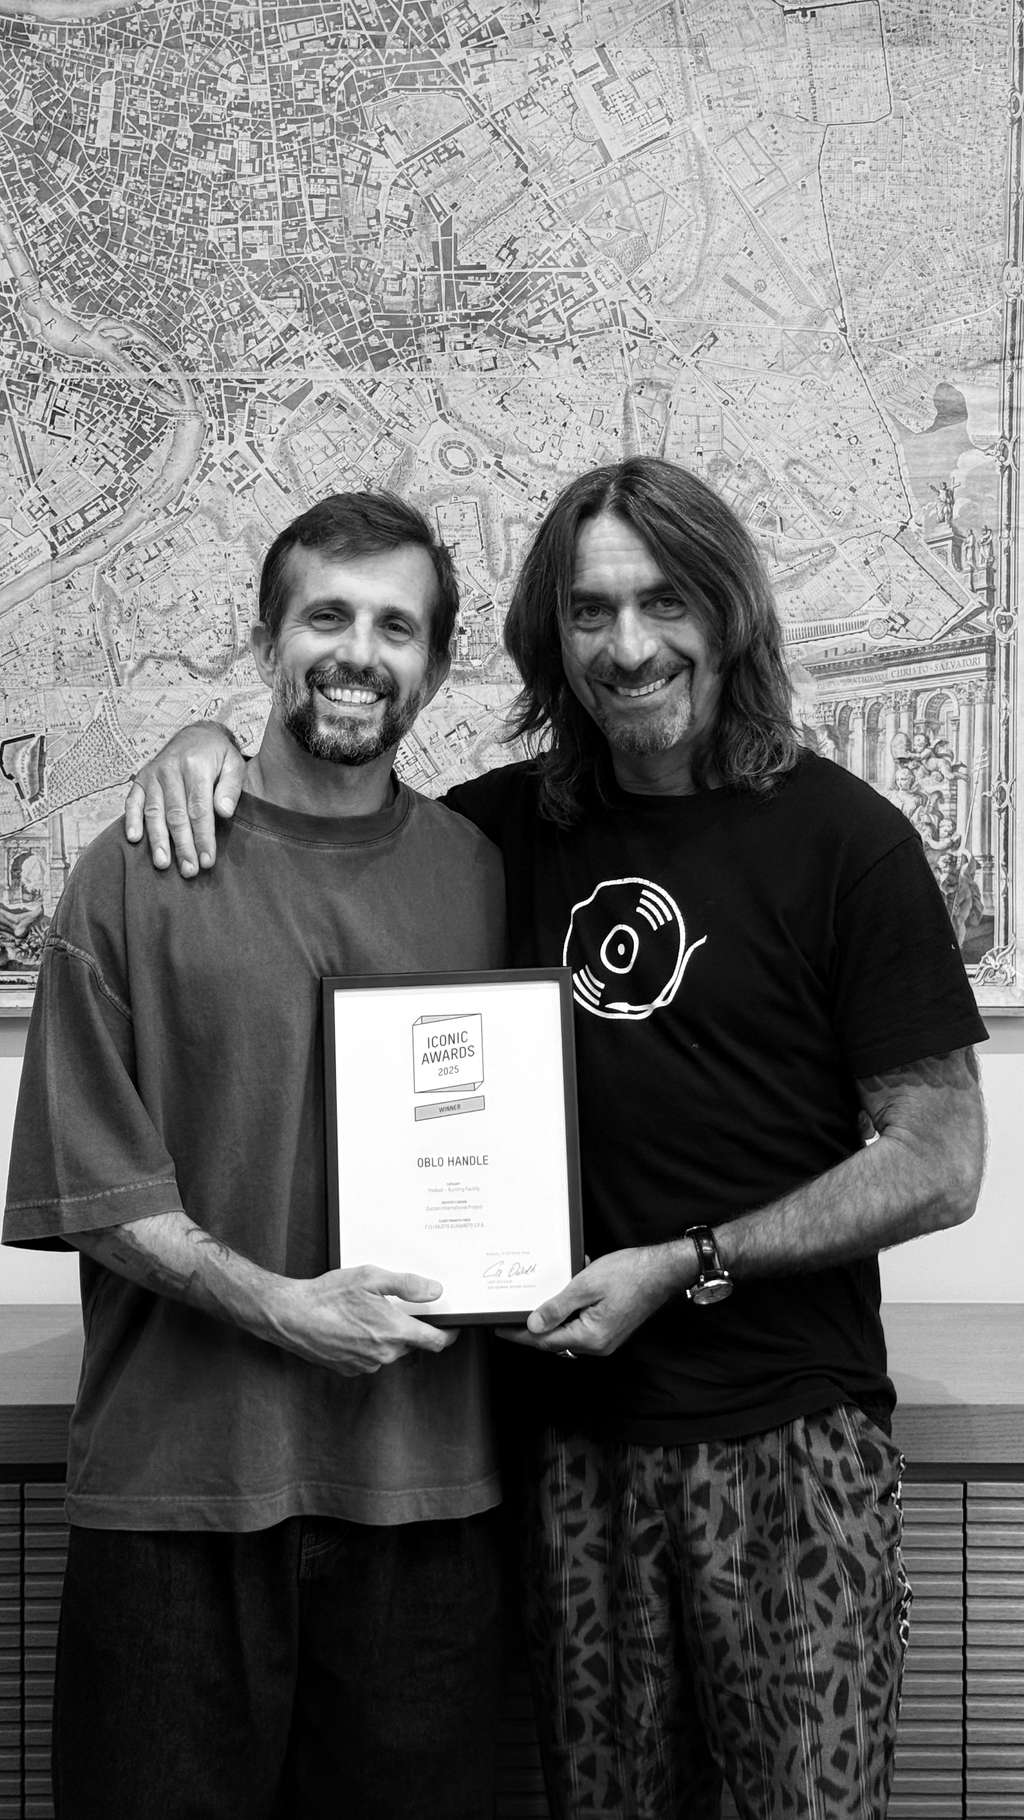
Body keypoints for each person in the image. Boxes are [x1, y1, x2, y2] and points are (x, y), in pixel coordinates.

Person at [125, 458, 988, 1820]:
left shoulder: (847, 840)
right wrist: (203, 741)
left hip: (787, 1442)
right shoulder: (497, 833)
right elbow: (329, 802)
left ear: (731, 612)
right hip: (564, 1451)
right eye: (591, 612)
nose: (629, 646)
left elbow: (939, 1159)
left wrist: (690, 1261)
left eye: (665, 602)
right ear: (551, 637)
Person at [3, 492, 509, 1820]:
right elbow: (91, 1191)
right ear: (265, 640)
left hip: (425, 1501)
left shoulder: (485, 874)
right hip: (175, 1499)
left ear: (435, 668)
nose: (359, 653)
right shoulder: (135, 869)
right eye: (326, 616)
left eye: (396, 626)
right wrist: (284, 1308)